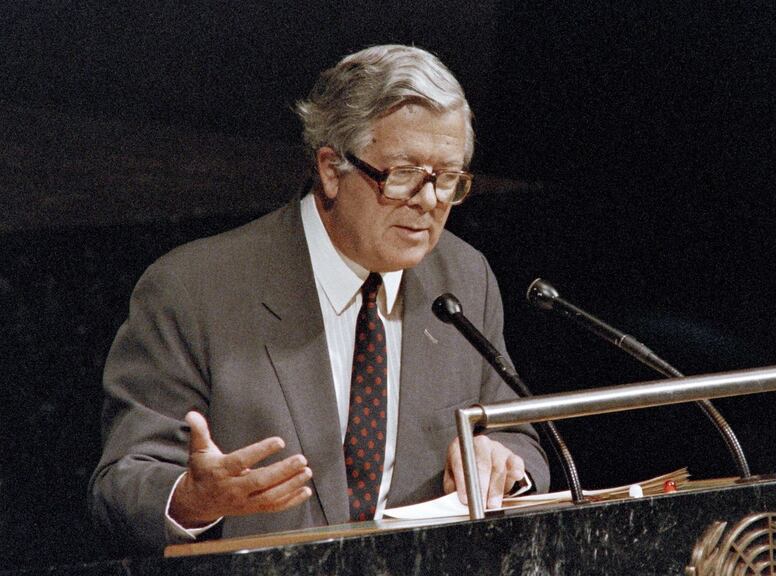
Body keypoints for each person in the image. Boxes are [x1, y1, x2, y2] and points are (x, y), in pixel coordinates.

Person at [89, 44, 549, 553]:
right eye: (403, 176)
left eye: (448, 179)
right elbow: (122, 484)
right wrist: (193, 499)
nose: (429, 202)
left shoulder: (464, 276)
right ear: (332, 169)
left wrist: (502, 462)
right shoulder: (193, 289)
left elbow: (520, 437)